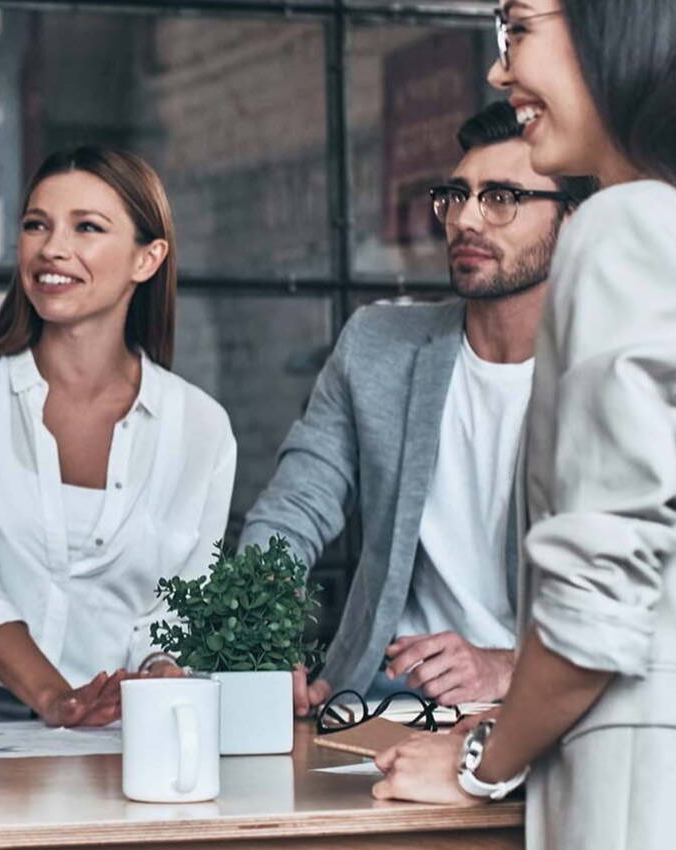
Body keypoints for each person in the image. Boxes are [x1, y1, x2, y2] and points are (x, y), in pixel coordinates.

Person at [375, 2, 676, 846]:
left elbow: (592, 604)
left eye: (518, 29)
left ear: (618, 29)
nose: (498, 70)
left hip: (648, 803)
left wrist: (479, 759)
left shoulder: (629, 227)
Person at [238, 102, 595, 714]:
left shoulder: (608, 372)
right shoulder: (379, 345)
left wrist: (507, 665)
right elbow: (294, 509)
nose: (467, 220)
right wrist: (260, 632)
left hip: (546, 711)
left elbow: (652, 595)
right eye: (456, 197)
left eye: (502, 198)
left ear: (574, 221)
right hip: (380, 707)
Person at [0, 145, 234, 728]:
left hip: (110, 727)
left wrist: (161, 671)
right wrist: (57, 698)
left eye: (87, 227)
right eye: (37, 224)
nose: (52, 248)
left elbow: (178, 609)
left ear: (147, 258)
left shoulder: (201, 428)